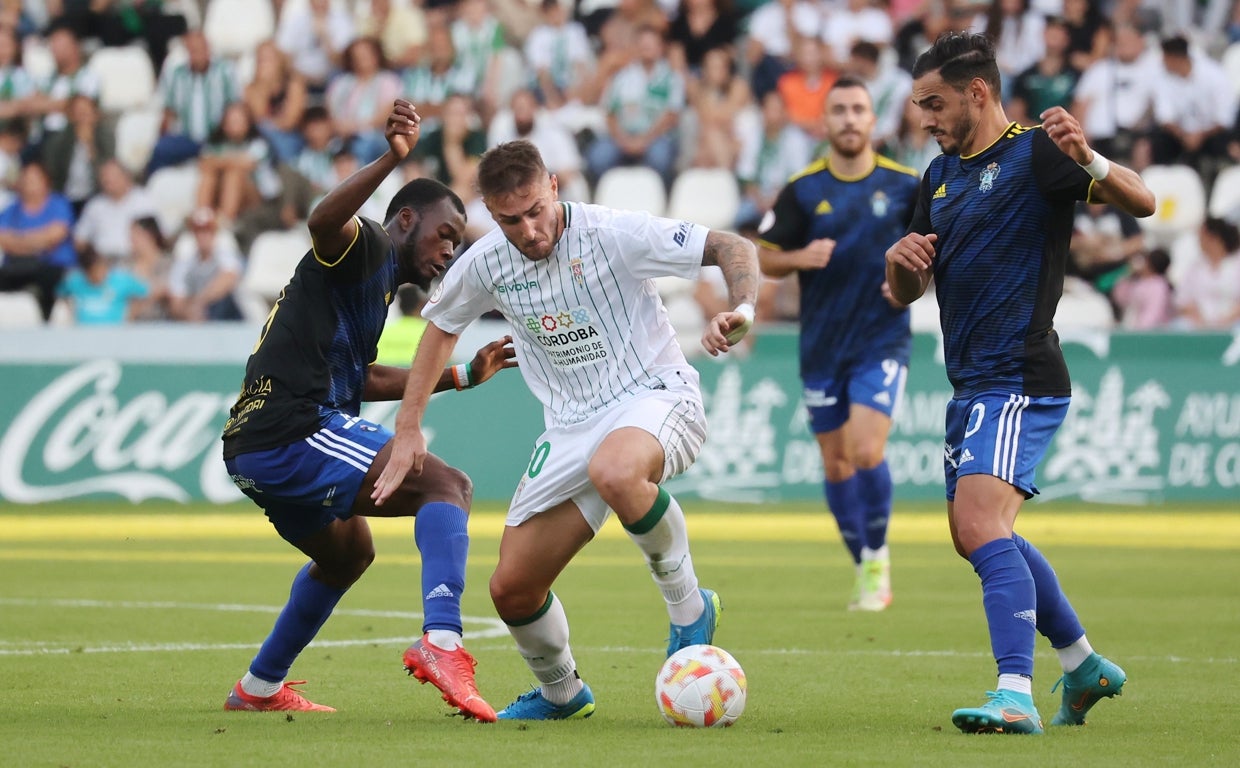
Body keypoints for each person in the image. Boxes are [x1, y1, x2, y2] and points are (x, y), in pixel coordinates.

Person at [371, 139, 759, 720]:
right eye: (509, 220)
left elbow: (732, 246)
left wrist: (744, 307)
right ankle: (562, 693)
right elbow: (440, 331)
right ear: (489, 214)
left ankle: (688, 609)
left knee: (616, 469)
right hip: (570, 427)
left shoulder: (613, 232)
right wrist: (408, 427)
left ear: (554, 185)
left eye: (535, 211)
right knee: (511, 590)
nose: (527, 230)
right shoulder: (486, 263)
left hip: (654, 396)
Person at [885, 32, 1155, 734]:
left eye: (935, 103)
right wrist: (902, 262)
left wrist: (1091, 157)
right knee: (976, 533)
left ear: (979, 92)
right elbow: (904, 290)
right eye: (919, 105)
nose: (924, 119)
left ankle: (1014, 692)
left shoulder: (1037, 152)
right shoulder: (936, 179)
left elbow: (1143, 201)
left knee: (979, 525)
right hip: (970, 384)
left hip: (1021, 375)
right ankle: (1082, 663)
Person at [220, 99, 516, 720]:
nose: (447, 253)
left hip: (259, 445)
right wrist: (391, 159)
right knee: (446, 484)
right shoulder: (367, 247)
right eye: (444, 236)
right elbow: (323, 220)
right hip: (292, 430)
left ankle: (259, 686)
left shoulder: (375, 287)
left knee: (349, 553)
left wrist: (459, 375)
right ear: (406, 219)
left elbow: (362, 376)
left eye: (456, 244)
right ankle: (442, 642)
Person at [757, 75, 920, 612]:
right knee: (835, 466)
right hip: (822, 346)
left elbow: (939, 252)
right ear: (824, 123)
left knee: (866, 450)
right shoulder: (803, 189)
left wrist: (909, 284)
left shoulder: (904, 185)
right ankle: (863, 562)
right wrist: (799, 258)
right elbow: (762, 254)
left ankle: (877, 557)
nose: (850, 119)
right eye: (839, 110)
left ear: (873, 121)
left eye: (858, 109)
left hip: (882, 338)